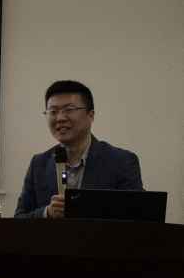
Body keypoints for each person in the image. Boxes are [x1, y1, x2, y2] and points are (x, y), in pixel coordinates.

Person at [14, 80, 144, 219]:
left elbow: (136, 217)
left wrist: (82, 209)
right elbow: (19, 218)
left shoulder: (121, 161)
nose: (60, 118)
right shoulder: (39, 164)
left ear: (90, 116)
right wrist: (47, 213)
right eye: (53, 112)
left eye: (69, 110)